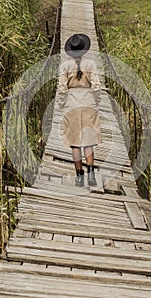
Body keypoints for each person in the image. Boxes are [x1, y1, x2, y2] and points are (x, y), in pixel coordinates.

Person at [57, 33, 102, 187]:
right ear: (84, 49)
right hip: (88, 101)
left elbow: (62, 89)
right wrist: (96, 101)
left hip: (72, 104)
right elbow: (96, 86)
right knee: (88, 140)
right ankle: (91, 173)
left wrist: (62, 105)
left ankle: (79, 176)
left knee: (75, 143)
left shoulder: (64, 66)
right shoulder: (91, 64)